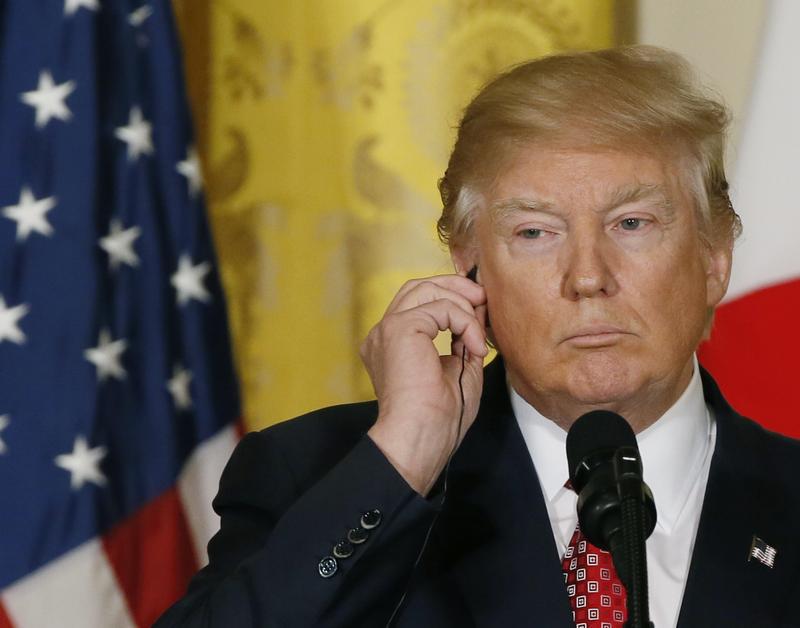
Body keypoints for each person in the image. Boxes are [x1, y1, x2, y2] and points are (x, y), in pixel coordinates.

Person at [156, 46, 800, 628]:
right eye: (535, 232)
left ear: (715, 257)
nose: (587, 277)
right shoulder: (322, 479)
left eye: (631, 223)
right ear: (470, 269)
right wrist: (404, 458)